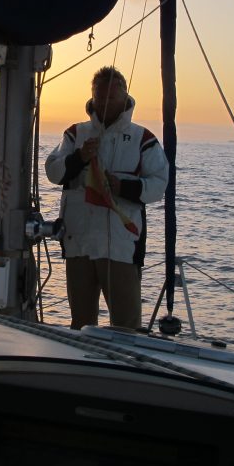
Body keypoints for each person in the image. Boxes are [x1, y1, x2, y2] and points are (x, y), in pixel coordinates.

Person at [45, 66, 168, 329]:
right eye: (99, 97)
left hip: (121, 247)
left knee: (126, 326)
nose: (103, 103)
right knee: (80, 323)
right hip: (79, 244)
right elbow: (53, 171)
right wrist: (80, 158)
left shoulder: (142, 138)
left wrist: (124, 186)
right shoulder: (76, 134)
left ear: (125, 98)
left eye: (110, 98)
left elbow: (159, 183)